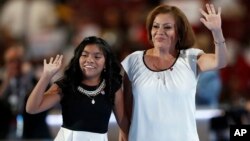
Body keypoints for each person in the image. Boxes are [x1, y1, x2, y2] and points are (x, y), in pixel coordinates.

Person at [121, 3, 228, 141]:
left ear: (179, 33)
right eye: (155, 26)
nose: (160, 31)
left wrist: (217, 31)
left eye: (167, 27)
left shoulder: (190, 58)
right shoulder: (133, 60)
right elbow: (126, 105)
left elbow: (221, 62)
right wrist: (123, 132)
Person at [26, 36, 128, 141]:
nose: (89, 60)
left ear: (106, 63)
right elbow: (32, 108)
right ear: (78, 58)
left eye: (97, 57)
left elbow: (123, 123)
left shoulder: (112, 87)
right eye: (84, 55)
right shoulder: (66, 84)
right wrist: (46, 76)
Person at [0, 44, 51, 139]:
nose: (15, 65)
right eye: (11, 61)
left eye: (18, 61)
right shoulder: (4, 83)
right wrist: (7, 80)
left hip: (34, 134)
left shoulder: (37, 81)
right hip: (7, 133)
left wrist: (28, 77)